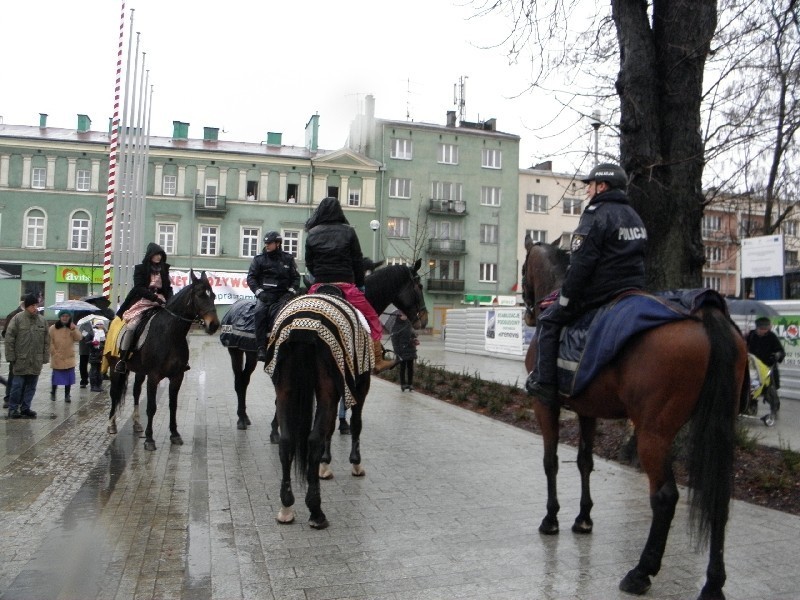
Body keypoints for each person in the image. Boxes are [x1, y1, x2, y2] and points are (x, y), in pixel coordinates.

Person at [526, 163, 647, 403]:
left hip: (601, 292)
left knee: (549, 320)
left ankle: (545, 383)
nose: (588, 191)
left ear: (602, 186)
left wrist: (566, 297)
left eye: (590, 186)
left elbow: (581, 263)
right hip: (634, 290)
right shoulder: (634, 216)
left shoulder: (596, 214)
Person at [304, 197, 397, 373]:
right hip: (345, 287)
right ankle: (377, 360)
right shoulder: (348, 231)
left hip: (318, 287)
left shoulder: (312, 233)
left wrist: (320, 276)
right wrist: (360, 286)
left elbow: (309, 263)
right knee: (372, 319)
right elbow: (357, 262)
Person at [115, 242, 174, 373]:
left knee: (174, 324)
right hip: (145, 300)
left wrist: (170, 300)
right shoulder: (140, 269)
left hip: (162, 302)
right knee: (132, 326)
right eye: (156, 254)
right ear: (150, 255)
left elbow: (168, 288)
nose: (158, 257)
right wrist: (154, 298)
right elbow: (139, 287)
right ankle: (123, 359)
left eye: (160, 254)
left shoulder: (164, 269)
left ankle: (177, 359)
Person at [246, 231, 300, 362]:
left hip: (283, 296)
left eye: (269, 243)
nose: (267, 245)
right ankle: (261, 348)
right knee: (259, 312)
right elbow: (251, 278)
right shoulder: (259, 259)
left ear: (278, 243)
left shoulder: (288, 259)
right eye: (266, 243)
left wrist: (290, 293)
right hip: (265, 295)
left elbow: (296, 278)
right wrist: (260, 293)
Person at [5, 294, 49, 419]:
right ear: (27, 306)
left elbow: (46, 340)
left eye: (37, 305)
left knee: (31, 387)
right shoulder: (17, 319)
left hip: (36, 360)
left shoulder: (42, 321)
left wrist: (45, 357)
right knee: (17, 386)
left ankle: (26, 408)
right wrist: (10, 356)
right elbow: (9, 338)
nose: (35, 308)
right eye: (33, 305)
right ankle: (13, 409)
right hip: (20, 359)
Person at [49, 310, 82, 402]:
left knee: (69, 378)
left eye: (67, 316)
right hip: (57, 356)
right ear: (60, 317)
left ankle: (67, 395)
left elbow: (79, 338)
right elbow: (49, 342)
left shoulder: (72, 327)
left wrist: (74, 329)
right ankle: (53, 392)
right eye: (63, 316)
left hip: (69, 357)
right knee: (56, 377)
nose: (65, 318)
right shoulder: (53, 328)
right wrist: (54, 353)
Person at [746, 316, 785, 390]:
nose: (763, 331)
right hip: (753, 368)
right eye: (761, 329)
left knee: (769, 390)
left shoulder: (772, 336)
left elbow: (781, 351)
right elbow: (745, 346)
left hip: (767, 367)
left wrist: (777, 355)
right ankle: (753, 399)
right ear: (756, 328)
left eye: (765, 329)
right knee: (754, 389)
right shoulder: (751, 335)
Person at [2, 295, 26, 407]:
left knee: (25, 377)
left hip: (28, 352)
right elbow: (5, 334)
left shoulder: (35, 316)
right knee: (13, 375)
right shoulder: (13, 315)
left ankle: (20, 398)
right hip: (16, 352)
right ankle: (8, 398)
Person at [390, 310, 418, 391]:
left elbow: (413, 334)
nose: (405, 316)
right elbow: (394, 340)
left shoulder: (409, 324)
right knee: (402, 368)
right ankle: (403, 384)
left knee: (410, 368)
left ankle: (410, 384)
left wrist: (415, 339)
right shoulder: (396, 326)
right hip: (401, 350)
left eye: (406, 314)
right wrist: (397, 351)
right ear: (399, 316)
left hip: (410, 348)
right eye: (403, 314)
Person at [88, 321, 107, 392]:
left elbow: (104, 342)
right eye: (98, 324)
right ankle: (93, 386)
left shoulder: (104, 332)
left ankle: (99, 385)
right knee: (94, 370)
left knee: (99, 370)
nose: (100, 325)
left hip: (100, 354)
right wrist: (92, 343)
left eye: (101, 324)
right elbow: (86, 342)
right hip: (93, 354)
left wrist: (103, 346)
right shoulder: (92, 332)